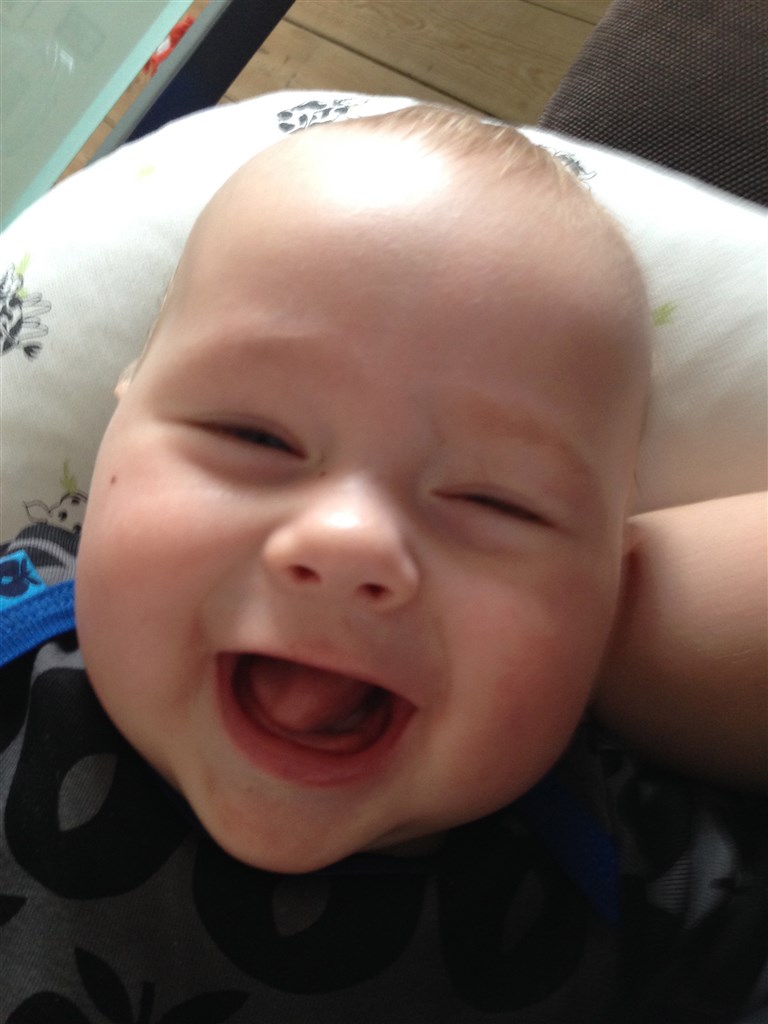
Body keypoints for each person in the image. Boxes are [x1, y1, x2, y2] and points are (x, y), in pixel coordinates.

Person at [1, 106, 765, 1023]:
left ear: (612, 584)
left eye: (497, 500)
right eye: (254, 435)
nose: (349, 539)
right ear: (118, 417)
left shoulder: (647, 884)